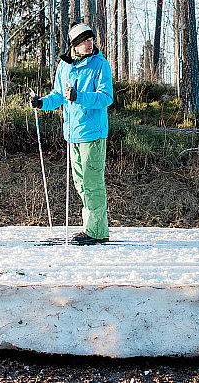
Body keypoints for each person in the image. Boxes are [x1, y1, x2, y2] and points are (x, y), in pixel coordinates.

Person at [31, 22, 114, 245]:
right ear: (74, 45)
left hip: (93, 133)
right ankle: (92, 227)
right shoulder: (64, 66)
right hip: (72, 133)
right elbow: (58, 95)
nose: (90, 44)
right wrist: (41, 103)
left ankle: (96, 231)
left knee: (92, 182)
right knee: (81, 184)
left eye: (91, 40)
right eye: (85, 41)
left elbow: (106, 97)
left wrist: (80, 97)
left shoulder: (100, 64)